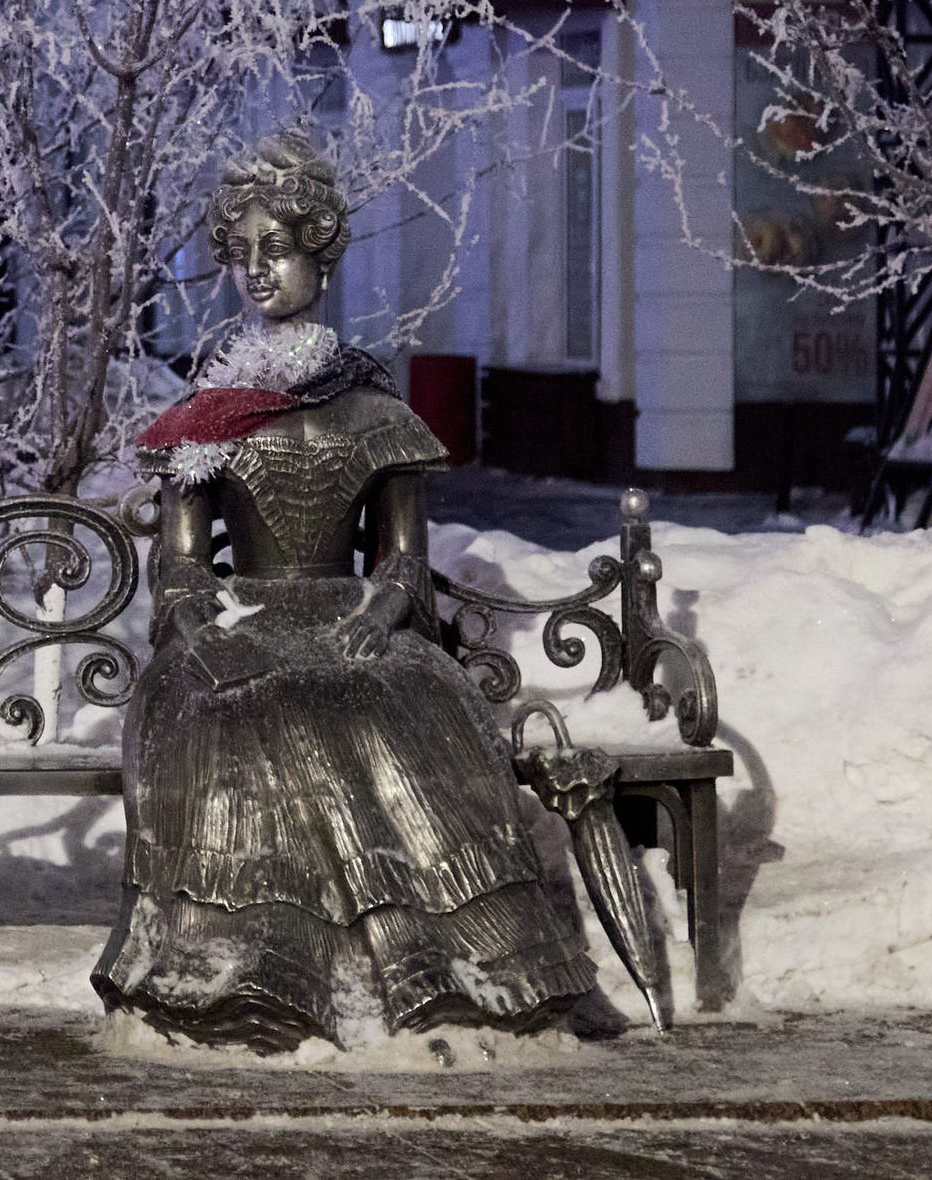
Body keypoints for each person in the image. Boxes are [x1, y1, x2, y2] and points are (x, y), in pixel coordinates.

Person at [92, 133, 596, 1049]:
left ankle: (446, 972)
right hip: (239, 624)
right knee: (242, 714)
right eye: (241, 254)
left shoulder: (376, 415)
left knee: (401, 704)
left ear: (320, 252)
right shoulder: (206, 421)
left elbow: (402, 557)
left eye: (275, 250)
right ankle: (243, 978)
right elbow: (180, 564)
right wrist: (197, 629)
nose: (257, 272)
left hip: (353, 623)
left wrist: (381, 606)